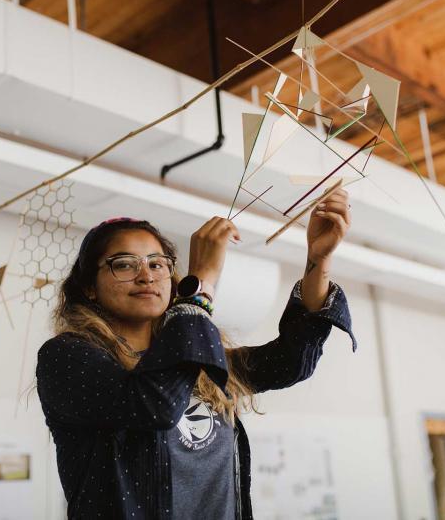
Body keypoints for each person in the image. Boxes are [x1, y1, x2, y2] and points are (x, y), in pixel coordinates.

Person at [36, 189, 355, 519]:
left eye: (157, 264)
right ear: (90, 286)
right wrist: (201, 285)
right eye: (124, 264)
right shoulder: (64, 357)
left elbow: (289, 362)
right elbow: (154, 405)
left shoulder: (196, 362)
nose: (146, 275)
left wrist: (319, 259)